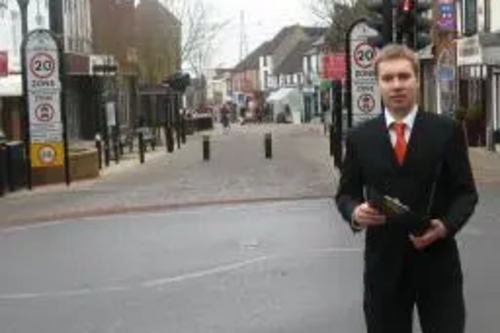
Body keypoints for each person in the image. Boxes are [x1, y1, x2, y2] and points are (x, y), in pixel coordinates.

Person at [335, 44, 478, 333]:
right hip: (383, 269)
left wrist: (446, 226)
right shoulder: (360, 138)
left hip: (437, 265)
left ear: (416, 79)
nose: (396, 85)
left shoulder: (446, 131)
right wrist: (354, 212)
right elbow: (345, 194)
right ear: (378, 84)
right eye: (388, 78)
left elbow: (466, 192)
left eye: (404, 76)